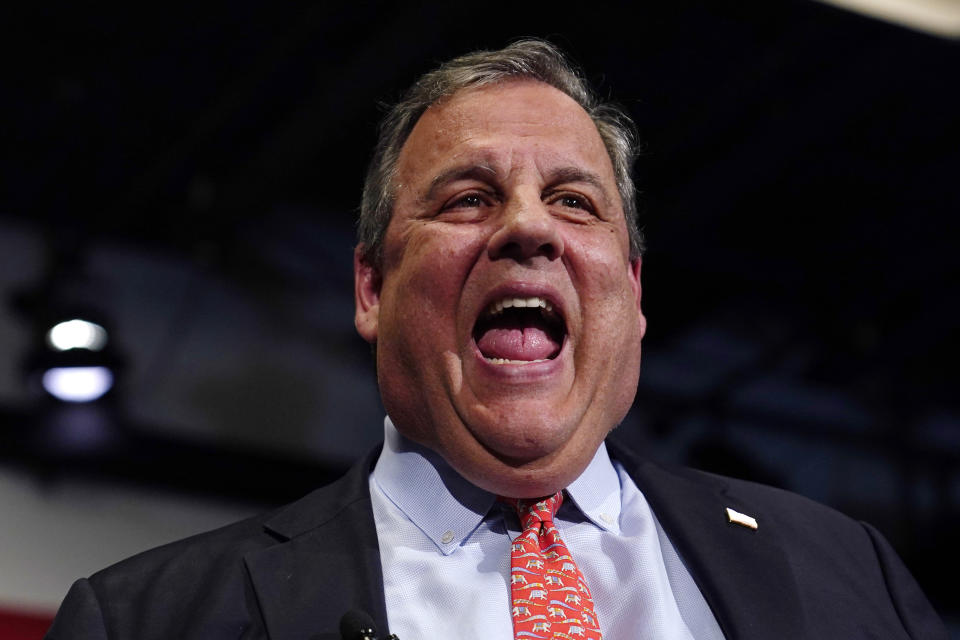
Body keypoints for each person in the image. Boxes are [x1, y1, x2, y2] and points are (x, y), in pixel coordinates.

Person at [46, 39, 945, 640]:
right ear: (372, 285)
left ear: (631, 292)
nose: (529, 230)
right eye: (468, 198)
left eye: (574, 201)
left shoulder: (845, 572)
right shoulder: (149, 622)